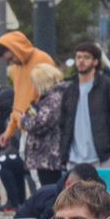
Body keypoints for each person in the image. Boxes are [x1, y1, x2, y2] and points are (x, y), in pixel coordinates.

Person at [58, 42, 110, 169]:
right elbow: (63, 124)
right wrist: (64, 153)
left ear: (95, 62)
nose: (81, 61)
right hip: (73, 160)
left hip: (103, 159)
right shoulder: (70, 90)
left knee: (103, 190)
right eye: (78, 57)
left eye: (86, 57)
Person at [0, 32, 56, 139]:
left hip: (42, 129)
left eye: (11, 58)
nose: (12, 62)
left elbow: (52, 97)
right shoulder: (15, 70)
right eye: (8, 61)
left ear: (17, 49)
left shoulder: (43, 60)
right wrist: (9, 131)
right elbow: (17, 104)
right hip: (25, 130)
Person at [19, 62, 70, 191]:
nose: (34, 87)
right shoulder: (59, 95)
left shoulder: (54, 98)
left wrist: (24, 119)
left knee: (50, 190)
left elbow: (41, 122)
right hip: (50, 155)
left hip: (48, 156)